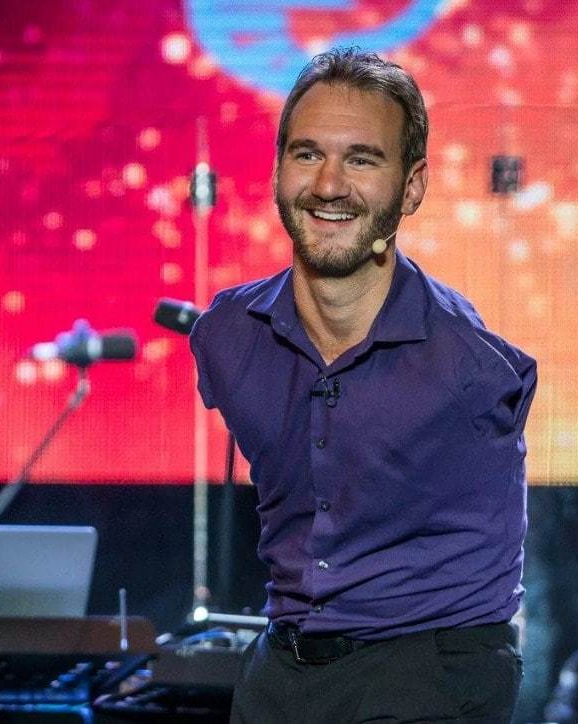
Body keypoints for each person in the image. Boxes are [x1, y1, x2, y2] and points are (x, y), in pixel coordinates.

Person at [190, 47, 537, 723]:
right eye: (307, 154)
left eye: (362, 160)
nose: (329, 185)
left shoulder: (467, 367)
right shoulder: (228, 338)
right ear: (277, 169)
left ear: (411, 188)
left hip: (427, 673)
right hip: (280, 671)